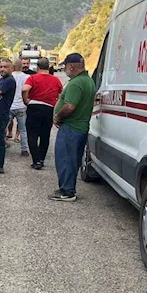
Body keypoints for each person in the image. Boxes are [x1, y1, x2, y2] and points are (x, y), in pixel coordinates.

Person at [49, 53, 95, 201]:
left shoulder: (76, 83)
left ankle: (67, 191)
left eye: (65, 67)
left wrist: (58, 116)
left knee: (65, 159)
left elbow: (69, 106)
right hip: (80, 127)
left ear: (71, 66)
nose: (64, 70)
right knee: (72, 159)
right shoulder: (88, 80)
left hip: (71, 127)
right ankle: (67, 188)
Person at [22, 57, 63, 170]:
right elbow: (61, 94)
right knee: (45, 135)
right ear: (48, 67)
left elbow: (25, 89)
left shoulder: (33, 78)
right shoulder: (55, 80)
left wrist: (26, 100)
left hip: (34, 107)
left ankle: (35, 161)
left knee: (32, 134)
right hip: (48, 108)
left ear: (38, 67)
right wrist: (56, 104)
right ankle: (41, 159)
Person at [9, 58, 30, 157]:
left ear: (13, 67)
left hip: (10, 106)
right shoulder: (27, 77)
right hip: (22, 106)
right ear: (21, 66)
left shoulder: (9, 76)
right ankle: (24, 149)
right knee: (23, 129)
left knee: (4, 127)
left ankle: (2, 144)